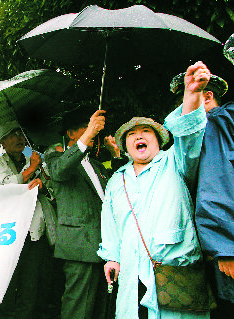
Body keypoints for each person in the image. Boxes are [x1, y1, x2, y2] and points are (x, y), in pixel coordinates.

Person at [97, 61, 210, 319]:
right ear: (125, 146)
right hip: (131, 272)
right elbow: (110, 223)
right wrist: (112, 258)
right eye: (132, 134)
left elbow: (190, 138)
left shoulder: (175, 162)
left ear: (158, 140)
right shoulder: (117, 179)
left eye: (146, 131)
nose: (139, 136)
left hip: (174, 270)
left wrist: (191, 95)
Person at [171, 67, 234, 316]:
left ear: (206, 97)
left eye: (186, 103)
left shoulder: (217, 124)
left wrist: (225, 247)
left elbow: (216, 187)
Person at [45, 108, 120, 319]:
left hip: (103, 247)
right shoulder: (55, 156)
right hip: (79, 246)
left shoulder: (95, 163)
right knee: (78, 308)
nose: (94, 133)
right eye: (86, 128)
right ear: (71, 133)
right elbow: (59, 171)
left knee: (100, 307)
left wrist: (115, 154)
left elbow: (117, 186)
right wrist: (88, 135)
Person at [0, 121, 49, 319]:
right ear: (2, 142)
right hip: (7, 234)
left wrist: (43, 177)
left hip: (33, 233)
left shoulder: (36, 159)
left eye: (21, 133)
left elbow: (50, 188)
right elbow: (4, 187)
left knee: (29, 287)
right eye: (12, 135)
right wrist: (31, 170)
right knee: (3, 285)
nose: (19, 138)